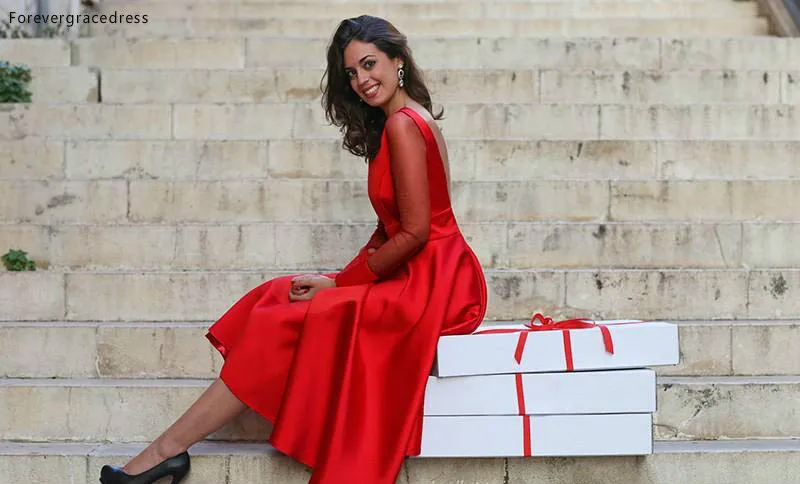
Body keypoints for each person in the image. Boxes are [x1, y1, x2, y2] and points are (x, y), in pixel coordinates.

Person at [99, 14, 487, 484]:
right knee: (279, 296)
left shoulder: (404, 126)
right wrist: (336, 282)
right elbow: (392, 230)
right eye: (351, 73)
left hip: (431, 285)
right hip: (424, 271)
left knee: (283, 320)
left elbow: (415, 233)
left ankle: (165, 451)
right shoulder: (405, 119)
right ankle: (167, 452)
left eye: (370, 64)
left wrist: (342, 285)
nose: (362, 80)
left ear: (397, 59)